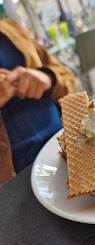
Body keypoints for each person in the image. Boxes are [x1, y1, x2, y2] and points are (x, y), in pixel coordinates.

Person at [0, 18, 76, 186]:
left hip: (66, 143)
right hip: (14, 184)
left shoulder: (11, 28)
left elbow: (67, 77)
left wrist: (47, 77)